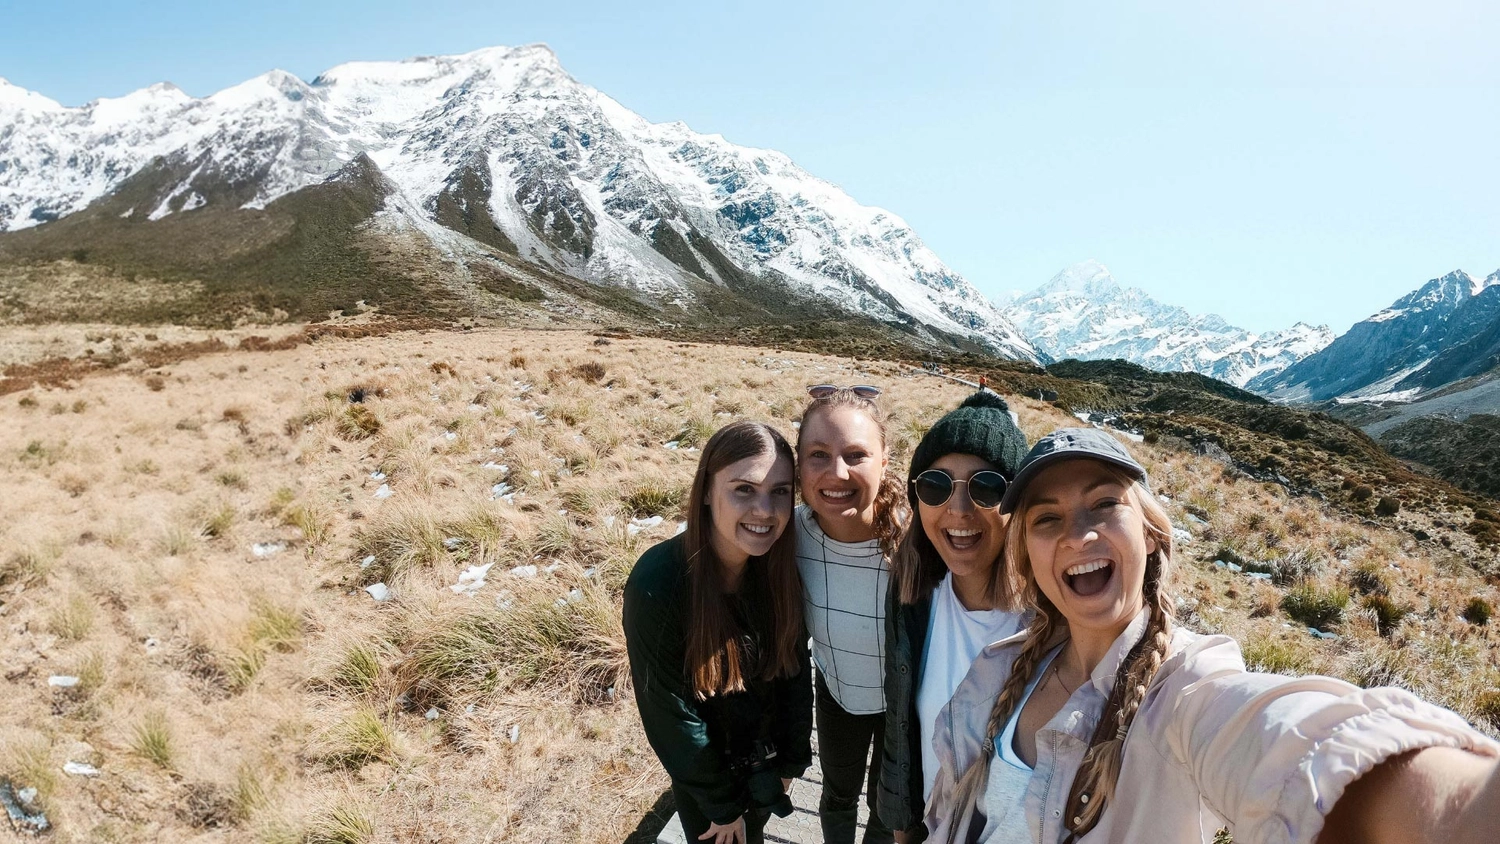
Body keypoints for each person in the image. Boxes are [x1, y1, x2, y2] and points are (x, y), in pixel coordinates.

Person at [926, 427, 1500, 844]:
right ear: (1026, 551)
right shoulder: (1004, 666)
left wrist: (1454, 798)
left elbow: (1290, 742)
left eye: (1104, 505)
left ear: (1150, 533)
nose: (1078, 534)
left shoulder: (1186, 688)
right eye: (1047, 519)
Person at [624, 421, 814, 844]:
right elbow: (668, 713)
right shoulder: (660, 581)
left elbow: (795, 669)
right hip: (707, 781)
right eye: (744, 489)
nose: (765, 510)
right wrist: (722, 805)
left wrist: (791, 762)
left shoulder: (775, 571)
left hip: (764, 766)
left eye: (780, 491)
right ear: (707, 492)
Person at [876, 391, 1030, 843]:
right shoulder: (913, 593)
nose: (958, 510)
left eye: (986, 487)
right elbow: (901, 724)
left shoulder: (1052, 621)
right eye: (936, 486)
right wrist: (904, 827)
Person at [795, 385, 908, 844]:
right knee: (838, 793)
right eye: (818, 454)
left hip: (902, 705)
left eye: (856, 455)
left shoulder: (915, 543)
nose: (836, 473)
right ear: (799, 463)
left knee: (888, 805)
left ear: (885, 462)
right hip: (837, 692)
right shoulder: (790, 535)